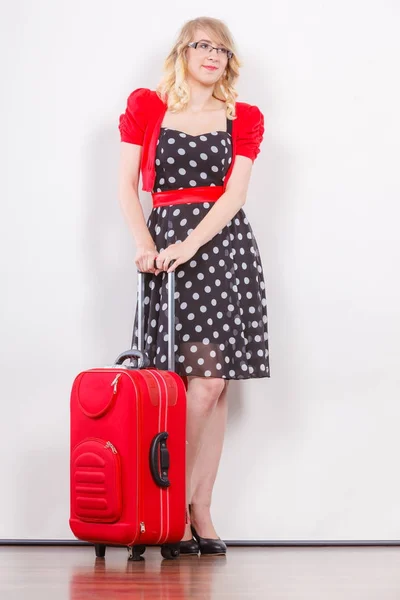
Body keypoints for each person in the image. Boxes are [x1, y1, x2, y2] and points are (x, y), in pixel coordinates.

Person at [118, 16, 270, 556]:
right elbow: (125, 185)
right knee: (178, 385)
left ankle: (196, 506)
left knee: (213, 384)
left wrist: (193, 244)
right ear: (182, 52)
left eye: (223, 49)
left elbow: (234, 195)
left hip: (221, 250)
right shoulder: (148, 108)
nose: (213, 54)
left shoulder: (243, 117)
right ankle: (166, 509)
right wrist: (145, 244)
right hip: (163, 252)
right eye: (203, 45)